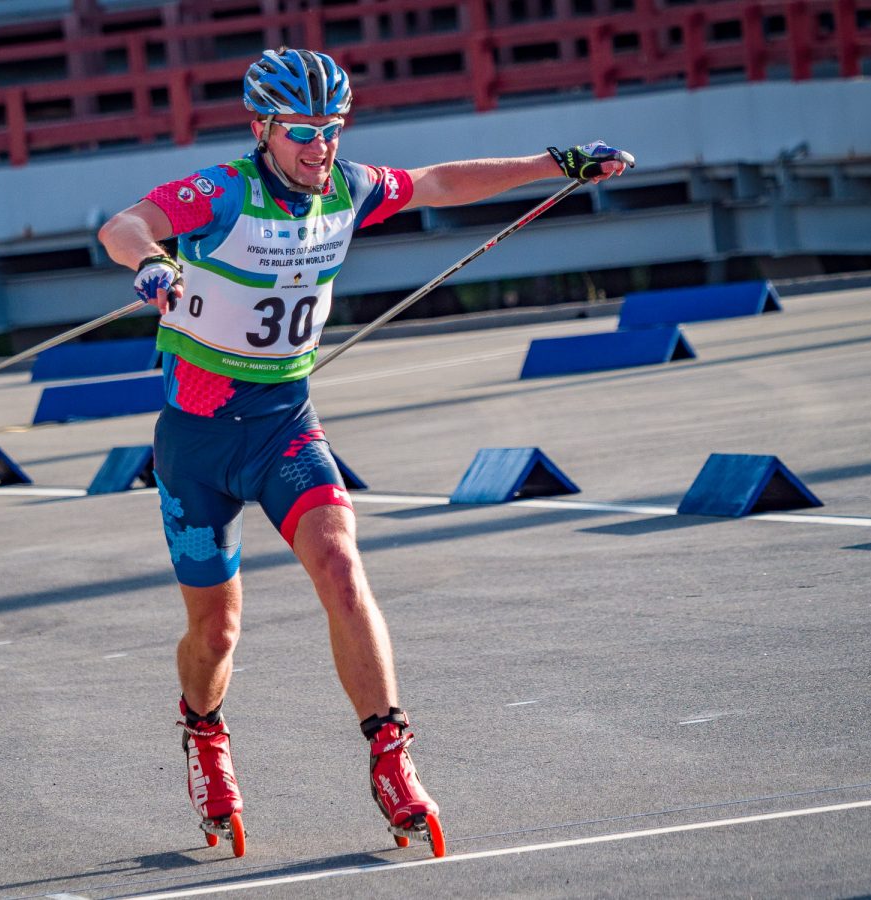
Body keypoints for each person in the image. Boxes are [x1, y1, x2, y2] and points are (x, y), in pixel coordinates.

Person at [98, 47, 632, 855]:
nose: (321, 147)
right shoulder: (223, 191)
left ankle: (391, 756)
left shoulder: (348, 189)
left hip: (283, 424)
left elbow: (438, 182)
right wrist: (151, 260)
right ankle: (204, 733)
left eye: (334, 129)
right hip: (196, 440)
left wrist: (552, 164)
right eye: (302, 131)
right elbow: (124, 226)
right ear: (263, 128)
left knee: (342, 567)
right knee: (216, 634)